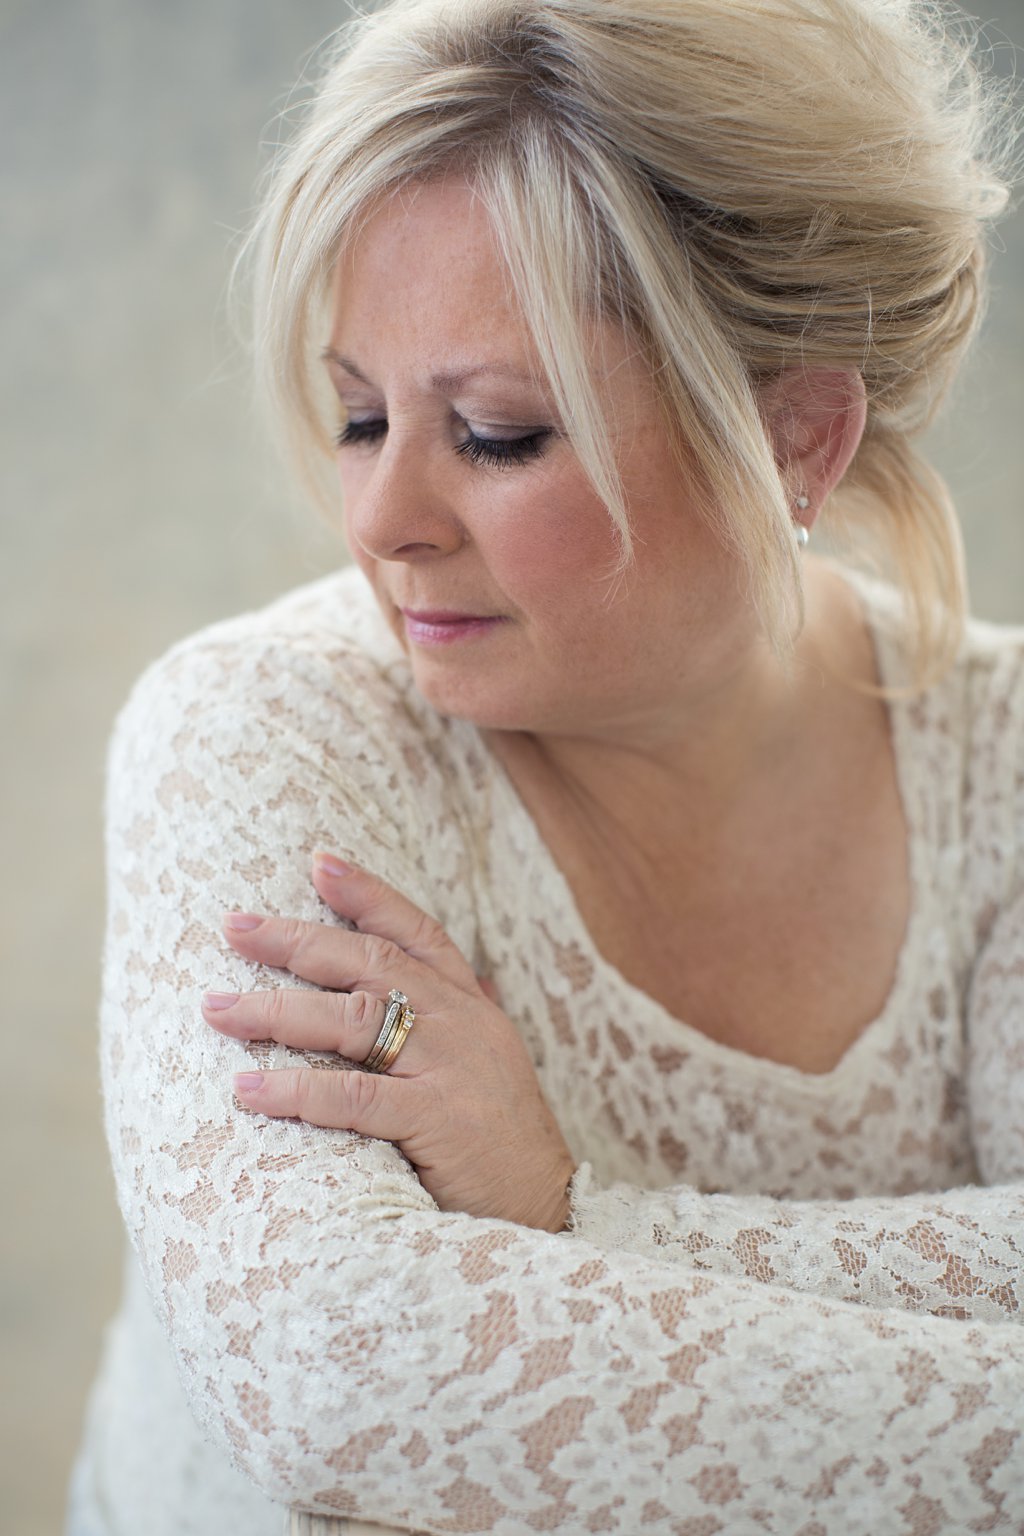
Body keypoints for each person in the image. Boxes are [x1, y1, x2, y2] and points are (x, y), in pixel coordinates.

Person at [67, 0, 1024, 1531]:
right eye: (359, 413)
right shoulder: (260, 730)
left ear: (799, 443)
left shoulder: (1003, 759)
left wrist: (569, 1213)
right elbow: (336, 1376)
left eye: (499, 433)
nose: (379, 517)